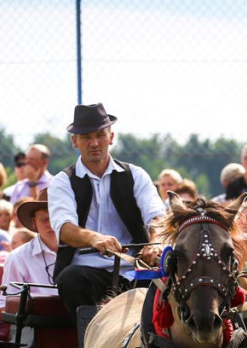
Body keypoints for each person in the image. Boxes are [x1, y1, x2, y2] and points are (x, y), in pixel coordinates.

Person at [48, 103, 166, 317]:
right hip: (87, 274)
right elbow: (64, 228)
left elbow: (156, 215)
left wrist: (155, 243)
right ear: (75, 141)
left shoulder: (136, 175)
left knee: (168, 284)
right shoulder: (63, 182)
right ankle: (90, 344)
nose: (94, 143)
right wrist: (94, 239)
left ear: (111, 137)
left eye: (100, 135)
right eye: (86, 137)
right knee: (70, 279)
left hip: (136, 269)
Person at [0, 190, 58, 305]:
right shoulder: (17, 258)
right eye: (44, 219)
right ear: (33, 222)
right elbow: (6, 307)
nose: (50, 224)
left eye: (55, 217)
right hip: (35, 322)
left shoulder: (82, 252)